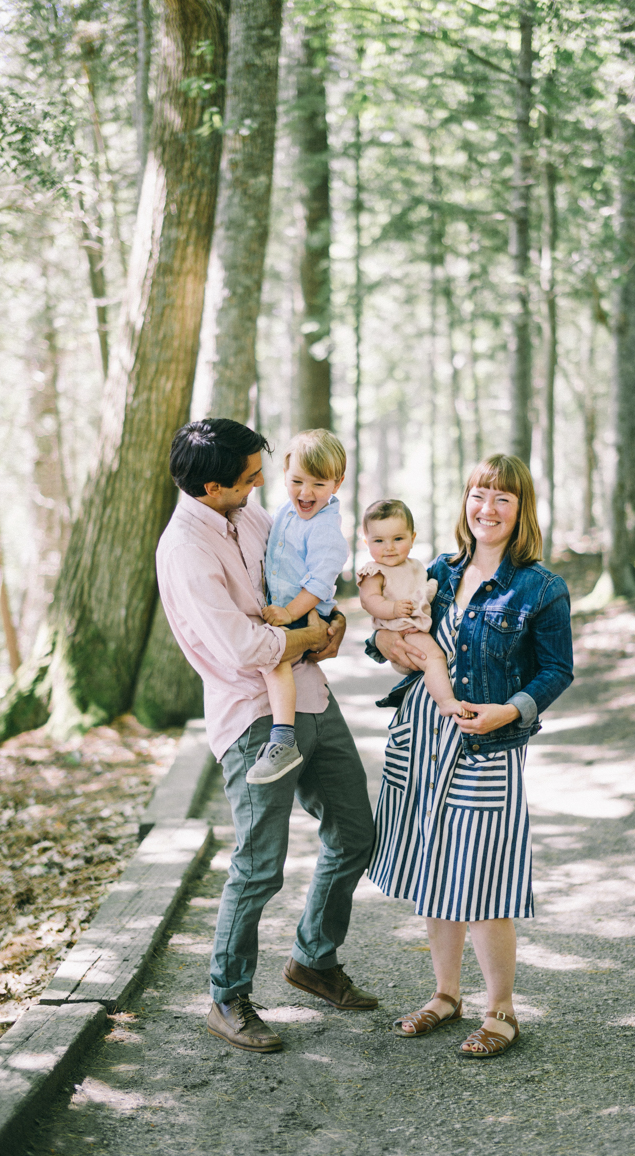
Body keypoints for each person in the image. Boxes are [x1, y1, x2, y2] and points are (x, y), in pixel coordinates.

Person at [156, 418, 377, 1055]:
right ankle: (227, 998)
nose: (264, 485)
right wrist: (310, 635)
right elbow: (247, 644)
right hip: (254, 716)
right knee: (258, 866)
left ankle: (313, 958)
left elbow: (304, 579)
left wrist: (326, 629)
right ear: (211, 487)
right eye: (252, 477)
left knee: (354, 830)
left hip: (310, 695)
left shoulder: (250, 515)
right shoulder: (187, 550)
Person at [367, 455, 573, 1058]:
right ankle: (445, 994)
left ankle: (501, 1008)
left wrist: (508, 711)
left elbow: (557, 670)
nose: (487, 509)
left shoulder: (540, 587)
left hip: (486, 742)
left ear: (521, 509)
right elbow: (384, 635)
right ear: (465, 500)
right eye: (479, 495)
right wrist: (383, 639)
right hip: (424, 738)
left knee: (482, 875)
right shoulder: (435, 568)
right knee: (439, 868)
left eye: (502, 499)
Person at [247, 429, 349, 786]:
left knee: (275, 660)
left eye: (319, 484)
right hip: (287, 606)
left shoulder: (325, 530)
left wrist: (290, 613)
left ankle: (284, 740)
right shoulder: (285, 512)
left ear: (337, 483)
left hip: (306, 610)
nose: (306, 493)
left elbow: (319, 583)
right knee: (275, 661)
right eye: (297, 481)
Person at [356, 498, 472, 718]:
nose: (389, 547)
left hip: (416, 626)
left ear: (412, 538)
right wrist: (393, 609)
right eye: (379, 540)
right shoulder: (374, 571)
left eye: (397, 538)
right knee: (435, 659)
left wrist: (428, 589)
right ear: (366, 542)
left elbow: (418, 593)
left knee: (437, 659)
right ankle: (446, 701)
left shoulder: (415, 565)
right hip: (405, 631)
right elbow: (369, 601)